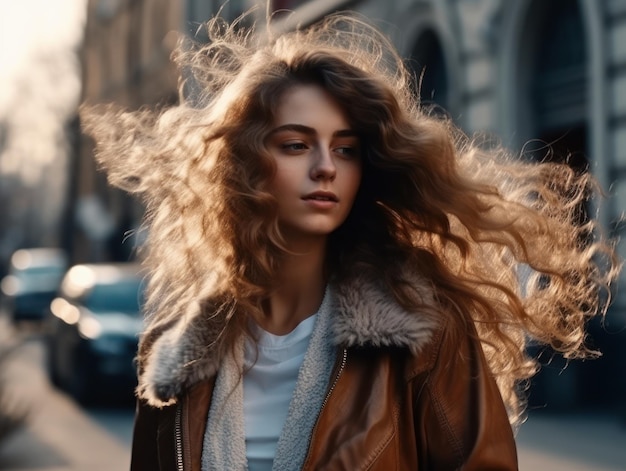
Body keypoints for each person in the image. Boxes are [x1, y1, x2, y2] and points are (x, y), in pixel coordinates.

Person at [81, 10, 619, 471]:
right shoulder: (173, 363)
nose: (324, 168)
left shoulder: (424, 332)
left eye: (345, 149)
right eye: (296, 145)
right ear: (243, 166)